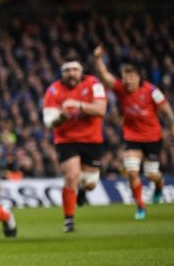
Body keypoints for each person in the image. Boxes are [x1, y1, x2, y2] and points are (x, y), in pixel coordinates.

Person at [93, 45, 174, 219]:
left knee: (152, 174)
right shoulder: (121, 89)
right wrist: (98, 59)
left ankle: (159, 185)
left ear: (138, 77)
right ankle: (140, 207)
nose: (128, 80)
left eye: (131, 76)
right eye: (125, 77)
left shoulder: (152, 91)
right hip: (132, 137)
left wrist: (172, 125)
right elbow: (106, 78)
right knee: (131, 171)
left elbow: (167, 111)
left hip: (153, 137)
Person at [43, 54, 107, 232]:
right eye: (68, 70)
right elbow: (49, 121)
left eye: (75, 69)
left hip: (92, 139)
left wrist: (78, 105)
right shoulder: (53, 90)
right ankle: (69, 220)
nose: (72, 73)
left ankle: (84, 190)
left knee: (90, 183)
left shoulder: (94, 84)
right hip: (66, 139)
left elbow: (101, 110)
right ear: (62, 73)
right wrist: (61, 117)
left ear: (81, 71)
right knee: (71, 176)